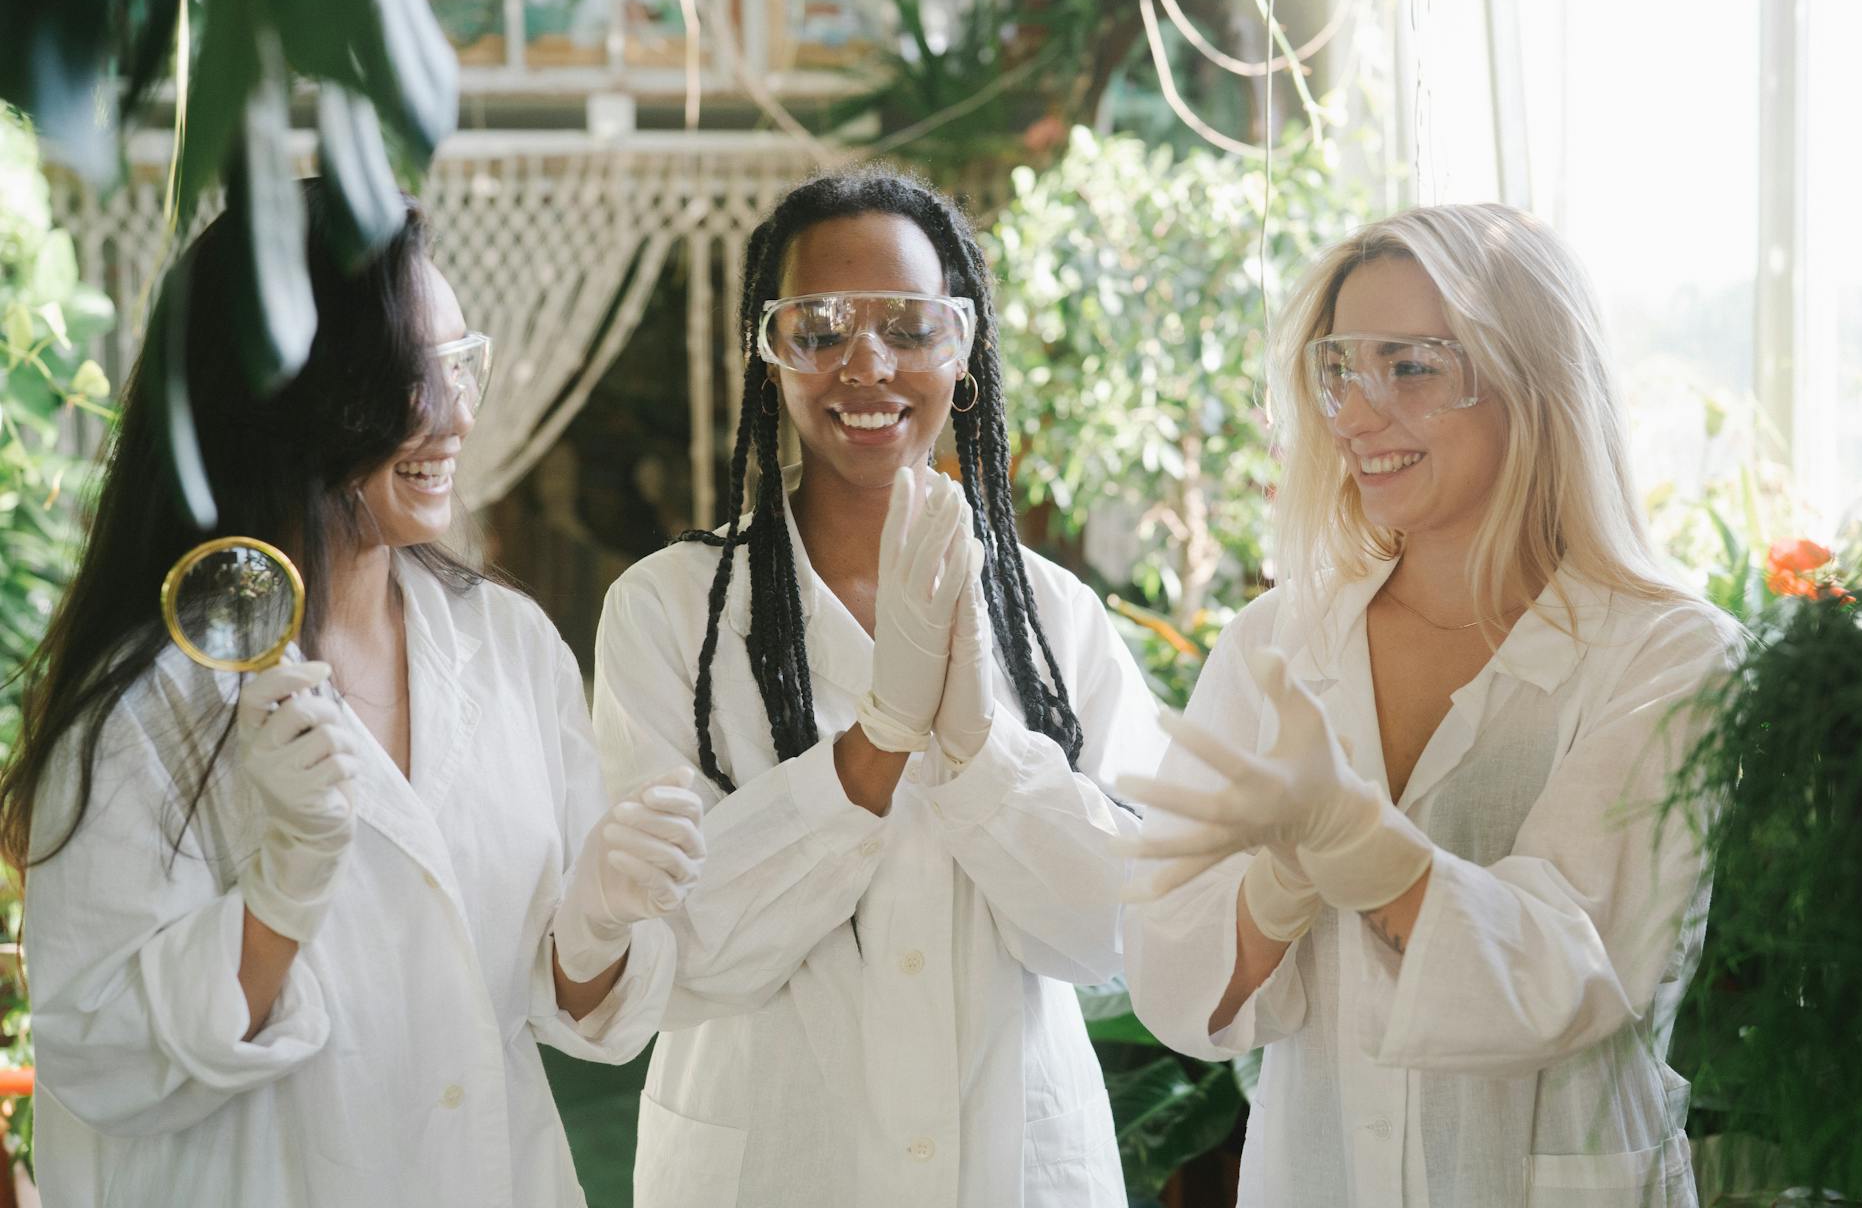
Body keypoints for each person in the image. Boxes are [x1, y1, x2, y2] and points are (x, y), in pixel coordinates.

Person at [1, 183, 702, 1206]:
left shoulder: (510, 647)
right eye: (423, 376)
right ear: (294, 391)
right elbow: (96, 1052)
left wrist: (592, 926)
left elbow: (573, 1011)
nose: (462, 413)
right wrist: (278, 901)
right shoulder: (147, 704)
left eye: (465, 365)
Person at [1122, 204, 1739, 1207]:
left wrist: (1373, 857)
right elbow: (1175, 978)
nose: (1356, 413)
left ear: (1536, 382)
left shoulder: (1667, 653)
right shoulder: (1275, 641)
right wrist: (1279, 883)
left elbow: (1581, 969)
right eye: (1338, 369)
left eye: (1408, 366)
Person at [592, 167, 1164, 1207]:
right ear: (772, 359)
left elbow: (1114, 930)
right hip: (775, 1160)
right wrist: (877, 745)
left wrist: (981, 760)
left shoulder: (1054, 617)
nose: (867, 363)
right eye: (819, 327)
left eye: (908, 325)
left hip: (1013, 1163)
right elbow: (677, 946)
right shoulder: (668, 609)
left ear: (965, 348)